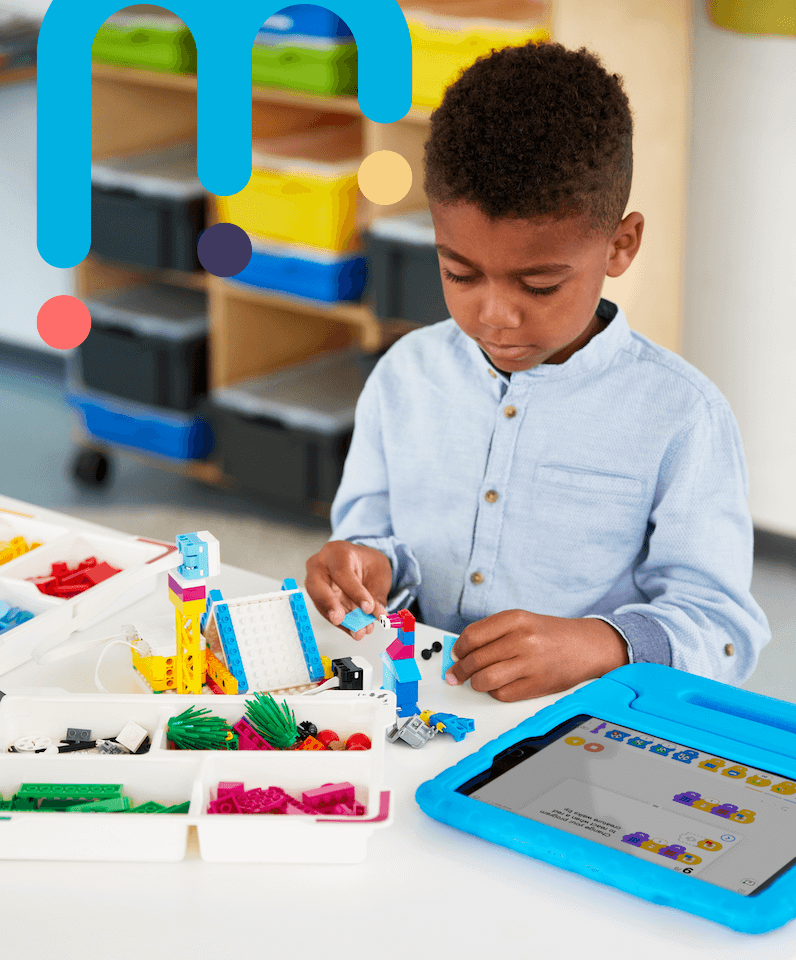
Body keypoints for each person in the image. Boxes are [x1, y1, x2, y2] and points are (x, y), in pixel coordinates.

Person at [304, 41, 770, 701]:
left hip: (589, 730)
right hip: (425, 704)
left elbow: (725, 630)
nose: (496, 315)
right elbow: (373, 537)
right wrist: (364, 564)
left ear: (621, 245)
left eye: (540, 284)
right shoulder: (406, 375)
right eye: (459, 273)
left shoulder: (682, 416)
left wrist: (601, 644)